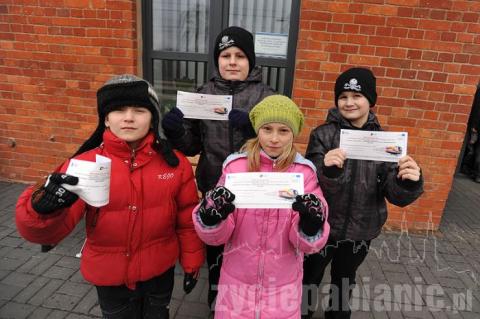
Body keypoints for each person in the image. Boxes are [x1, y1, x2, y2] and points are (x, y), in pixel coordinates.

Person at [16, 74, 205, 319]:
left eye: (139, 110)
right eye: (118, 110)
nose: (128, 117)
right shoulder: (83, 165)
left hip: (159, 273)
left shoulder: (174, 163)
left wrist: (192, 262)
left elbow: (187, 218)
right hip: (110, 278)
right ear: (105, 118)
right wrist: (40, 210)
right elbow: (48, 231)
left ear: (152, 118)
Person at [161, 26, 275, 310]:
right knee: (216, 252)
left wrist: (254, 131)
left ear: (251, 60)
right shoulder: (204, 93)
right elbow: (192, 146)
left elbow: (280, 144)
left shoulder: (268, 97)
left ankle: (248, 306)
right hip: (214, 186)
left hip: (255, 191)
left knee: (246, 251)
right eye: (225, 55)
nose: (232, 61)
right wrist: (175, 133)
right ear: (218, 60)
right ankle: (216, 303)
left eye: (239, 55)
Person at [192, 95, 330, 318]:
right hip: (236, 284)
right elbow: (218, 236)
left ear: (293, 133)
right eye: (267, 129)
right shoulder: (236, 168)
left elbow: (306, 244)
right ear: (258, 130)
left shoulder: (304, 174)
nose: (274, 138)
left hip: (282, 286)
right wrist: (211, 218)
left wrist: (311, 225)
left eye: (283, 131)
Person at [302, 67, 424, 319]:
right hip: (323, 228)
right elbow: (310, 183)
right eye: (343, 96)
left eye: (357, 96)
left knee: (344, 280)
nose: (349, 102)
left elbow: (394, 193)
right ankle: (302, 312)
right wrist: (329, 171)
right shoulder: (323, 135)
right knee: (309, 277)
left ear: (370, 99)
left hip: (361, 229)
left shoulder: (385, 141)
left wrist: (409, 182)